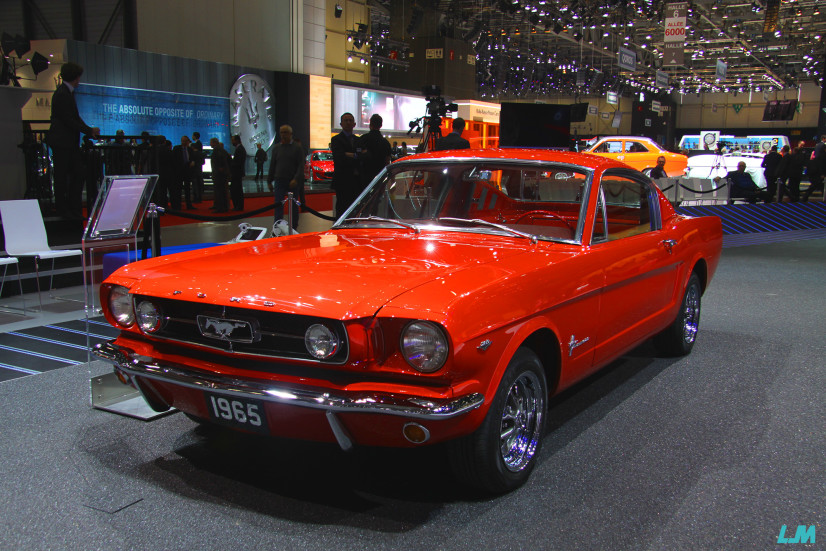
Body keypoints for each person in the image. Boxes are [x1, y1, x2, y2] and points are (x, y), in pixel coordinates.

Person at [47, 61, 100, 219]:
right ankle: (65, 209)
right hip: (63, 143)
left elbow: (73, 118)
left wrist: (88, 131)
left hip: (66, 143)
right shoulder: (63, 94)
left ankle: (71, 208)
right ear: (75, 77)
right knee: (64, 176)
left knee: (73, 174)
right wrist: (88, 130)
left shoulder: (64, 92)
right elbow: (69, 119)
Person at [267, 125, 305, 229]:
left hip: (292, 181)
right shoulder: (276, 148)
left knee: (293, 206)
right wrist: (269, 181)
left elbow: (300, 166)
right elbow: (273, 165)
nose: (283, 135)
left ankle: (293, 227)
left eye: (285, 132)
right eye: (281, 132)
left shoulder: (297, 148)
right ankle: (278, 226)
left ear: (290, 134)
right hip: (279, 181)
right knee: (278, 204)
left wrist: (296, 179)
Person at [330, 112, 361, 217]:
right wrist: (356, 156)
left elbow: (363, 158)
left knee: (356, 209)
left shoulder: (358, 140)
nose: (348, 122)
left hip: (356, 182)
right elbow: (339, 158)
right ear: (341, 124)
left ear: (354, 124)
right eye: (346, 120)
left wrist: (348, 154)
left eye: (350, 120)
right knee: (342, 209)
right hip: (342, 181)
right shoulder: (336, 140)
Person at [358, 113, 393, 187]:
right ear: (381, 125)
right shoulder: (385, 142)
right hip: (380, 177)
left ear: (370, 124)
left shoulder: (363, 139)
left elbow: (358, 157)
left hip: (364, 177)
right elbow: (387, 161)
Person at [170, 135, 195, 210]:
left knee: (187, 189)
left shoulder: (190, 149)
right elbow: (173, 159)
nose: (184, 142)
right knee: (178, 189)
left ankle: (189, 205)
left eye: (185, 141)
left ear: (188, 141)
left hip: (187, 171)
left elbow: (192, 158)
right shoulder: (176, 148)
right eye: (182, 141)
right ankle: (178, 205)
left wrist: (192, 162)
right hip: (178, 172)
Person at [209, 137, 230, 213]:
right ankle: (222, 206)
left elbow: (219, 162)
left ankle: (221, 207)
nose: (210, 144)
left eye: (211, 142)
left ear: (214, 143)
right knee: (221, 191)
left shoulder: (217, 150)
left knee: (220, 191)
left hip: (219, 175)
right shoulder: (221, 150)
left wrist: (220, 169)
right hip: (221, 174)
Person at [802, 135, 826, 202]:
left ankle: (804, 198)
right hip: (818, 172)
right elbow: (822, 164)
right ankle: (805, 198)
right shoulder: (823, 154)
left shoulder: (817, 146)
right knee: (816, 186)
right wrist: (822, 173)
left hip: (815, 171)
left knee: (817, 186)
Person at [230, 134, 246, 211]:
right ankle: (238, 206)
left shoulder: (240, 149)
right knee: (237, 189)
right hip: (237, 172)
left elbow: (238, 162)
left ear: (236, 140)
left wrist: (231, 162)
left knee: (237, 190)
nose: (232, 142)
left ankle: (238, 206)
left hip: (237, 173)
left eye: (233, 140)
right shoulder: (240, 148)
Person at [190, 131, 204, 203]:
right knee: (198, 183)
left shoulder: (197, 144)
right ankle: (198, 197)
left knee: (196, 183)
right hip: (199, 169)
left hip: (196, 169)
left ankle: (197, 197)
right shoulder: (199, 145)